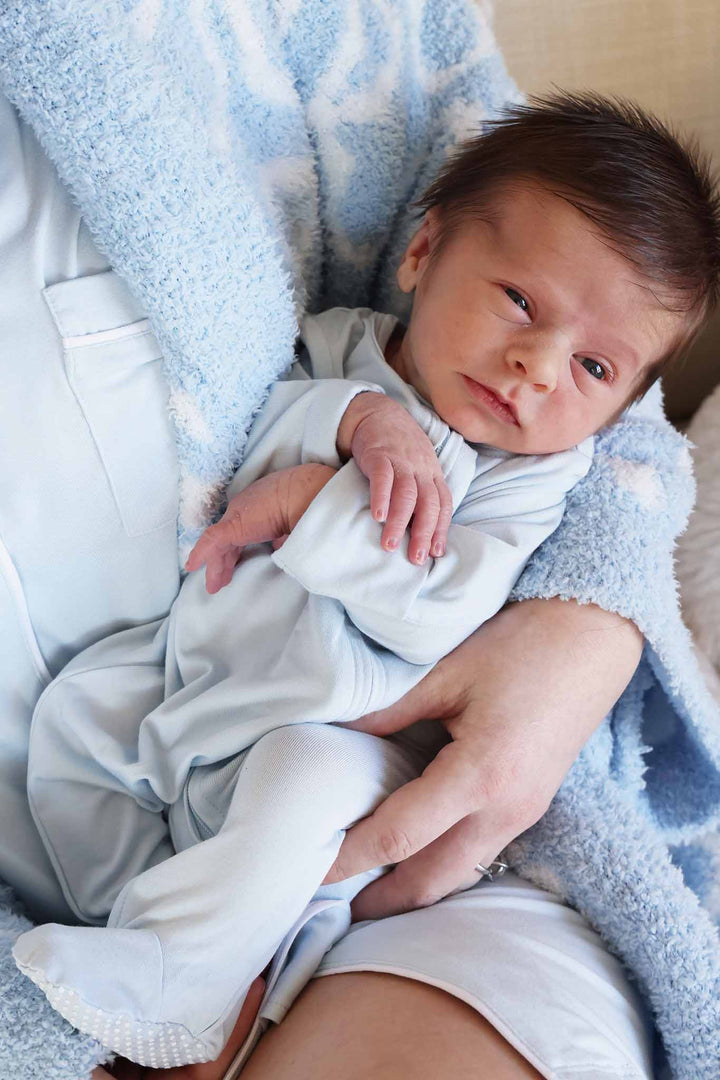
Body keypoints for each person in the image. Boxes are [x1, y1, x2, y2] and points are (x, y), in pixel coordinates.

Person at [12, 96, 720, 1076]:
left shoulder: (534, 475)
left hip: (353, 735)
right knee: (69, 728)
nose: (536, 367)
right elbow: (251, 446)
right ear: (423, 253)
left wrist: (322, 501)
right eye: (520, 300)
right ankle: (128, 931)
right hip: (198, 686)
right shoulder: (346, 347)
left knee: (296, 800)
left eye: (594, 365)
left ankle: (187, 995)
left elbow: (440, 604)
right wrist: (353, 425)